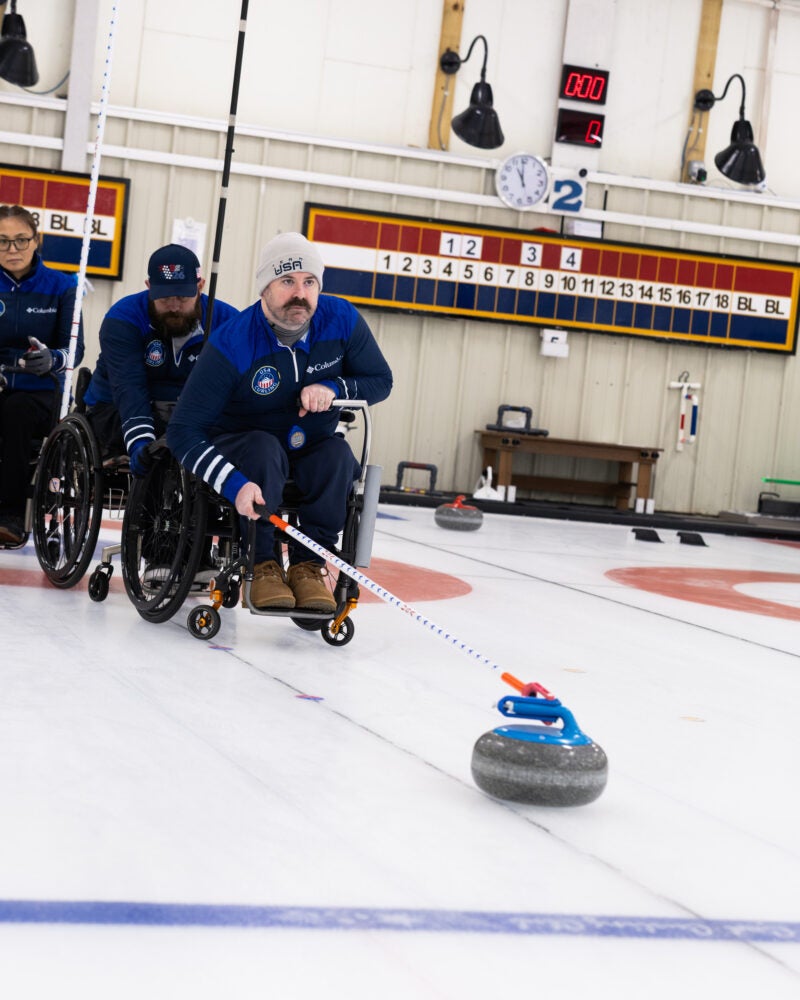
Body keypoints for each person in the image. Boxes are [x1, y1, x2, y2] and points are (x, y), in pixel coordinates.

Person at [167, 232, 393, 612]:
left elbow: (381, 380)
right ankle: (262, 565)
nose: (300, 294)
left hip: (310, 444)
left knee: (337, 457)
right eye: (287, 281)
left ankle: (309, 566)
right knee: (263, 449)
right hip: (244, 445)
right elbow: (182, 431)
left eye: (309, 282)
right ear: (265, 287)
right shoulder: (232, 341)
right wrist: (233, 484)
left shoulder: (341, 320)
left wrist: (334, 387)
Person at [83, 243, 239, 473]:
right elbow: (129, 387)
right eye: (164, 298)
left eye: (182, 297)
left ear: (200, 286)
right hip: (117, 409)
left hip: (189, 415)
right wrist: (140, 442)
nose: (174, 307)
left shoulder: (228, 323)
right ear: (149, 287)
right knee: (162, 443)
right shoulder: (123, 318)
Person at [0, 204, 84, 545]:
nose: (13, 249)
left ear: (37, 240)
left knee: (16, 411)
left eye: (21, 239)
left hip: (41, 394)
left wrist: (52, 359)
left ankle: (9, 516)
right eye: (3, 241)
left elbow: (74, 350)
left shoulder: (63, 286)